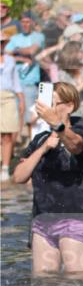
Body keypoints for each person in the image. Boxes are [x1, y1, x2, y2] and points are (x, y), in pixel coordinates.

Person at [12, 82, 83, 274]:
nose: (48, 108)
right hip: (42, 222)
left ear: (70, 105)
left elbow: (76, 146)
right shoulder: (40, 139)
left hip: (74, 218)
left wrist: (58, 126)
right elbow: (18, 177)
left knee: (77, 282)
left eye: (53, 103)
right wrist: (43, 148)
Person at [0, 29, 23, 182]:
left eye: (2, 42)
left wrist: (21, 99)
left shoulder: (10, 60)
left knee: (8, 134)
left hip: (8, 96)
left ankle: (5, 167)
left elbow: (15, 81)